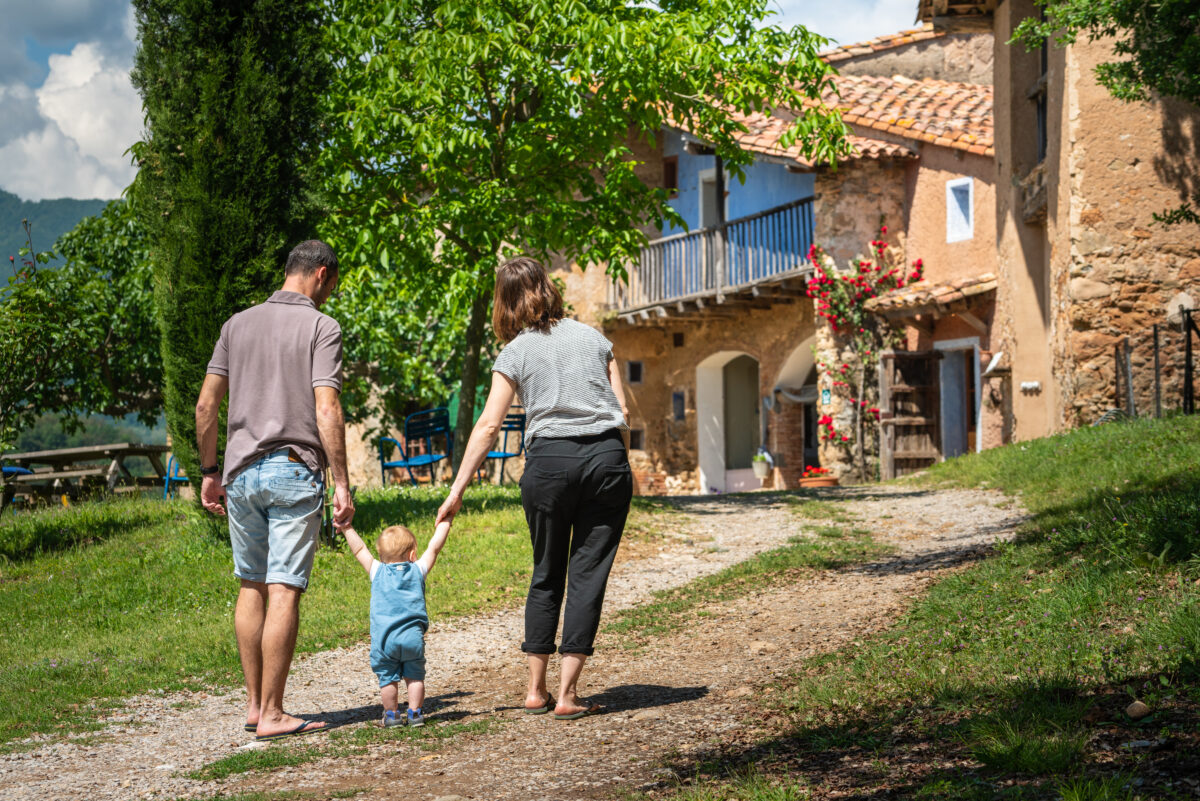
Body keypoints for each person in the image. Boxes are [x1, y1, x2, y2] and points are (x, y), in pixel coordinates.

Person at [436, 255, 632, 721]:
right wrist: (617, 464)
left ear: (504, 303)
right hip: (606, 459)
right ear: (548, 288)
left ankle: (534, 690)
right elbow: (624, 413)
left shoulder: (515, 352)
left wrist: (457, 489)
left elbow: (487, 426)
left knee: (547, 572)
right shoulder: (595, 339)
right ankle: (567, 695)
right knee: (588, 576)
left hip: (548, 465)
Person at [195, 239, 355, 742]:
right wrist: (343, 482)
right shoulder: (321, 327)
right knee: (284, 586)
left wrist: (208, 471)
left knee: (251, 584)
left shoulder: (235, 325)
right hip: (292, 468)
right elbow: (326, 408)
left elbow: (205, 406)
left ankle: (252, 705)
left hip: (240, 474)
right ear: (323, 275)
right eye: (332, 285)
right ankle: (274, 712)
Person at [340, 521, 450, 728]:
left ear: (381, 556)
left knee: (388, 679)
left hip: (385, 641)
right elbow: (435, 546)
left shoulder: (377, 570)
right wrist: (446, 522)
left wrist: (347, 528)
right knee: (415, 677)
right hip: (412, 639)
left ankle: (392, 715)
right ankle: (415, 713)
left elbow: (359, 549)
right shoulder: (418, 569)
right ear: (412, 554)